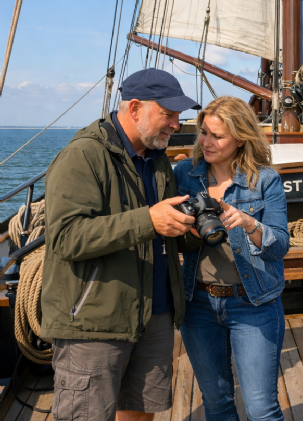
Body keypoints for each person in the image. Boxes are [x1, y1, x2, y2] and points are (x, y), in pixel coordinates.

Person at [41, 69, 202, 421]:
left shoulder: (157, 157)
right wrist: (149, 220)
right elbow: (67, 237)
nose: (177, 125)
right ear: (134, 108)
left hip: (153, 315)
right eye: (169, 115)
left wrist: (191, 229)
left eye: (179, 116)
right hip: (94, 323)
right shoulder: (83, 156)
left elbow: (161, 230)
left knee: (141, 414)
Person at [173, 96, 290, 421]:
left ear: (241, 137)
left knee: (261, 410)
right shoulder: (184, 173)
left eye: (217, 136)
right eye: (203, 133)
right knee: (217, 404)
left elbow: (280, 245)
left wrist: (251, 224)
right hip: (198, 304)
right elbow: (168, 235)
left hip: (254, 304)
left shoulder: (265, 180)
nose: (206, 142)